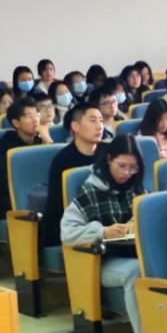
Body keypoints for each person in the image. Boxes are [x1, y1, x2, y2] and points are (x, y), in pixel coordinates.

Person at [60, 135, 149, 333]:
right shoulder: (90, 190)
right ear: (109, 159)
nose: (127, 172)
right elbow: (67, 232)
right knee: (135, 272)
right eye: (122, 166)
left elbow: (150, 216)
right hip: (100, 263)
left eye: (133, 167)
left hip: (133, 254)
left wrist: (135, 221)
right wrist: (102, 232)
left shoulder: (137, 188)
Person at [43, 105, 104, 247]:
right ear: (75, 126)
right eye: (93, 120)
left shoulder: (108, 153)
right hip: (73, 226)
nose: (99, 126)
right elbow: (59, 204)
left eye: (101, 121)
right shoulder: (63, 160)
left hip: (103, 218)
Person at [0, 97, 44, 218]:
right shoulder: (2, 146)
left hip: (40, 194)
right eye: (29, 116)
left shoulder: (41, 142)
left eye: (37, 115)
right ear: (16, 122)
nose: (35, 120)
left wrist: (48, 141)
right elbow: (0, 183)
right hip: (10, 198)